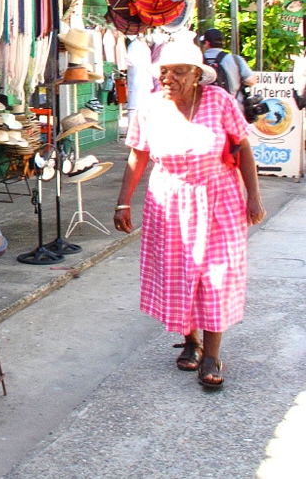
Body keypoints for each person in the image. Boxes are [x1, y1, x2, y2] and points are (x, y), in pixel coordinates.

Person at [112, 39, 266, 389]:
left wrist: (253, 197)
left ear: (197, 75)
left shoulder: (220, 101)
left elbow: (242, 148)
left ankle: (212, 354)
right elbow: (138, 156)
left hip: (219, 196)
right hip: (169, 200)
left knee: (216, 275)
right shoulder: (150, 107)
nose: (169, 78)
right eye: (164, 71)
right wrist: (123, 201)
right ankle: (192, 342)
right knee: (180, 274)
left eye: (179, 72)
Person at [200, 28, 258, 97]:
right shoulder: (235, 60)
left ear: (207, 43)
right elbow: (251, 81)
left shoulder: (198, 61)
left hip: (206, 105)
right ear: (223, 43)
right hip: (233, 104)